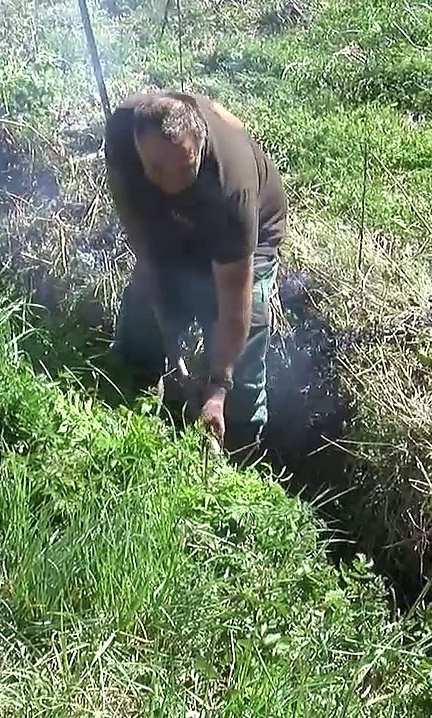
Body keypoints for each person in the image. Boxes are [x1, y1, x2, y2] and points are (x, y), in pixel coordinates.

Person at [102, 89, 287, 461]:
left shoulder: (230, 187)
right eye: (156, 170)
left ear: (199, 148)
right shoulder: (123, 131)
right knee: (144, 305)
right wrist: (156, 286)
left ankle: (239, 443)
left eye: (184, 169)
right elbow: (135, 221)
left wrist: (219, 387)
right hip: (176, 224)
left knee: (241, 328)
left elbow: (236, 299)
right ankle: (131, 393)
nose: (171, 182)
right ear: (139, 148)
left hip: (252, 235)